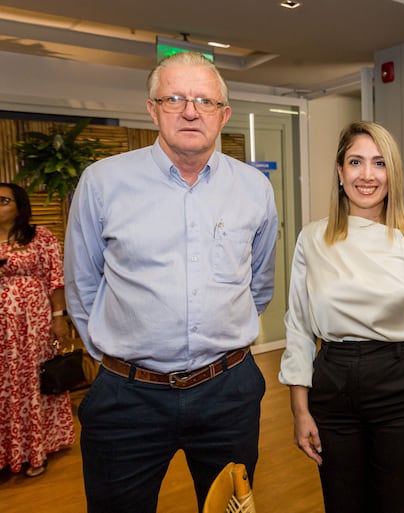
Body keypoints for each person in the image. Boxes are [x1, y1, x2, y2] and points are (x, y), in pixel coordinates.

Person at [64, 52, 278, 513]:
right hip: (127, 398)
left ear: (224, 114)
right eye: (175, 98)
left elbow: (259, 282)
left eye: (204, 100)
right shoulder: (103, 182)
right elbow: (81, 285)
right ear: (152, 108)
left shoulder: (254, 187)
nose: (190, 110)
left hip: (228, 393)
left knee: (230, 511)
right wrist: (118, 362)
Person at [279, 121, 404, 513]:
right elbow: (299, 328)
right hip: (333, 385)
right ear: (340, 172)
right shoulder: (313, 238)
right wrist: (299, 409)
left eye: (379, 163)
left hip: (402, 386)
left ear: (392, 174)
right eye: (355, 162)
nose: (367, 175)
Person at [0, 182, 74, 478]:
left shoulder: (39, 237)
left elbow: (55, 279)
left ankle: (34, 452)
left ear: (19, 206)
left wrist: (59, 318)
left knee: (31, 381)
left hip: (31, 325)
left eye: (3, 200)